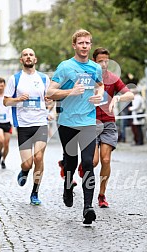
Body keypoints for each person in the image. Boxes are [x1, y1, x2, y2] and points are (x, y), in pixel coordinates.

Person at [46, 29, 104, 225]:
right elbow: (50, 92)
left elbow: (101, 84)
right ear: (74, 45)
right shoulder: (65, 67)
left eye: (88, 43)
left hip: (88, 122)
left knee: (88, 162)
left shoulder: (95, 68)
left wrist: (99, 95)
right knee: (70, 162)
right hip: (67, 123)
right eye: (81, 43)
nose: (85, 46)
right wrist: (71, 91)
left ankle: (88, 207)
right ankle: (68, 186)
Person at [76, 47, 134, 208]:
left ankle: (102, 195)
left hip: (108, 123)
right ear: (94, 61)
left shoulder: (113, 79)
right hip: (90, 123)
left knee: (106, 159)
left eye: (106, 61)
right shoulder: (87, 77)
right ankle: (84, 165)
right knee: (93, 162)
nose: (104, 64)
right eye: (100, 61)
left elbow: (131, 94)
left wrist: (118, 97)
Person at [3, 48, 50, 205]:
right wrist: (17, 99)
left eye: (31, 54)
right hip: (23, 126)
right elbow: (6, 101)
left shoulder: (44, 78)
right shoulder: (14, 79)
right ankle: (24, 171)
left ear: (35, 59)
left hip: (41, 124)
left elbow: (50, 99)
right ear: (21, 60)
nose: (28, 57)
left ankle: (35, 193)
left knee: (39, 158)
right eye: (25, 55)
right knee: (28, 163)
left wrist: (49, 108)